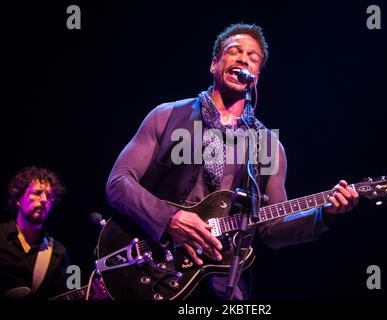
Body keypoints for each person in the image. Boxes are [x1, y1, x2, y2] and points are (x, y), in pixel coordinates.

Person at [106, 23, 359, 300]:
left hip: (220, 282)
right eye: (235, 52)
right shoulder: (167, 116)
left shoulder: (269, 145)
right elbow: (118, 183)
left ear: (257, 76)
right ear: (214, 64)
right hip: (153, 260)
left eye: (252, 58)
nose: (243, 59)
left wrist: (324, 214)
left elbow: (272, 229)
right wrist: (170, 219)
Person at [0, 166, 69, 299]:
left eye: (49, 196)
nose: (44, 200)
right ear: (19, 198)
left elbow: (70, 288)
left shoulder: (59, 253)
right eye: (37, 192)